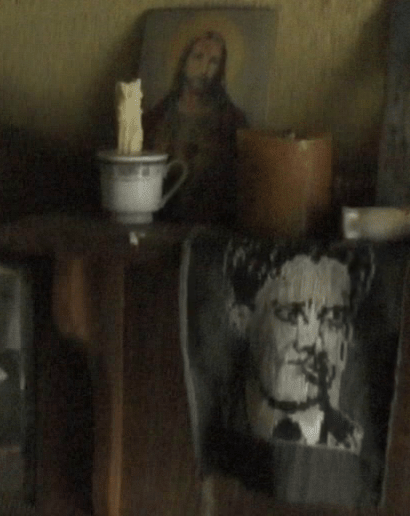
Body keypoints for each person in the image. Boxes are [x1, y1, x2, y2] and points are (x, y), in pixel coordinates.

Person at [224, 241, 371, 452]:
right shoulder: (208, 431)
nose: (311, 342)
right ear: (242, 320)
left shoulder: (356, 444)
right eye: (292, 314)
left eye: (333, 318)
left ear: (347, 335)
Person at [144, 31, 249, 223]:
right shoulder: (157, 116)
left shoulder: (232, 120)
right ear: (184, 62)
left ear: (220, 70)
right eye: (198, 57)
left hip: (207, 222)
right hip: (156, 218)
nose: (204, 69)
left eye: (213, 62)